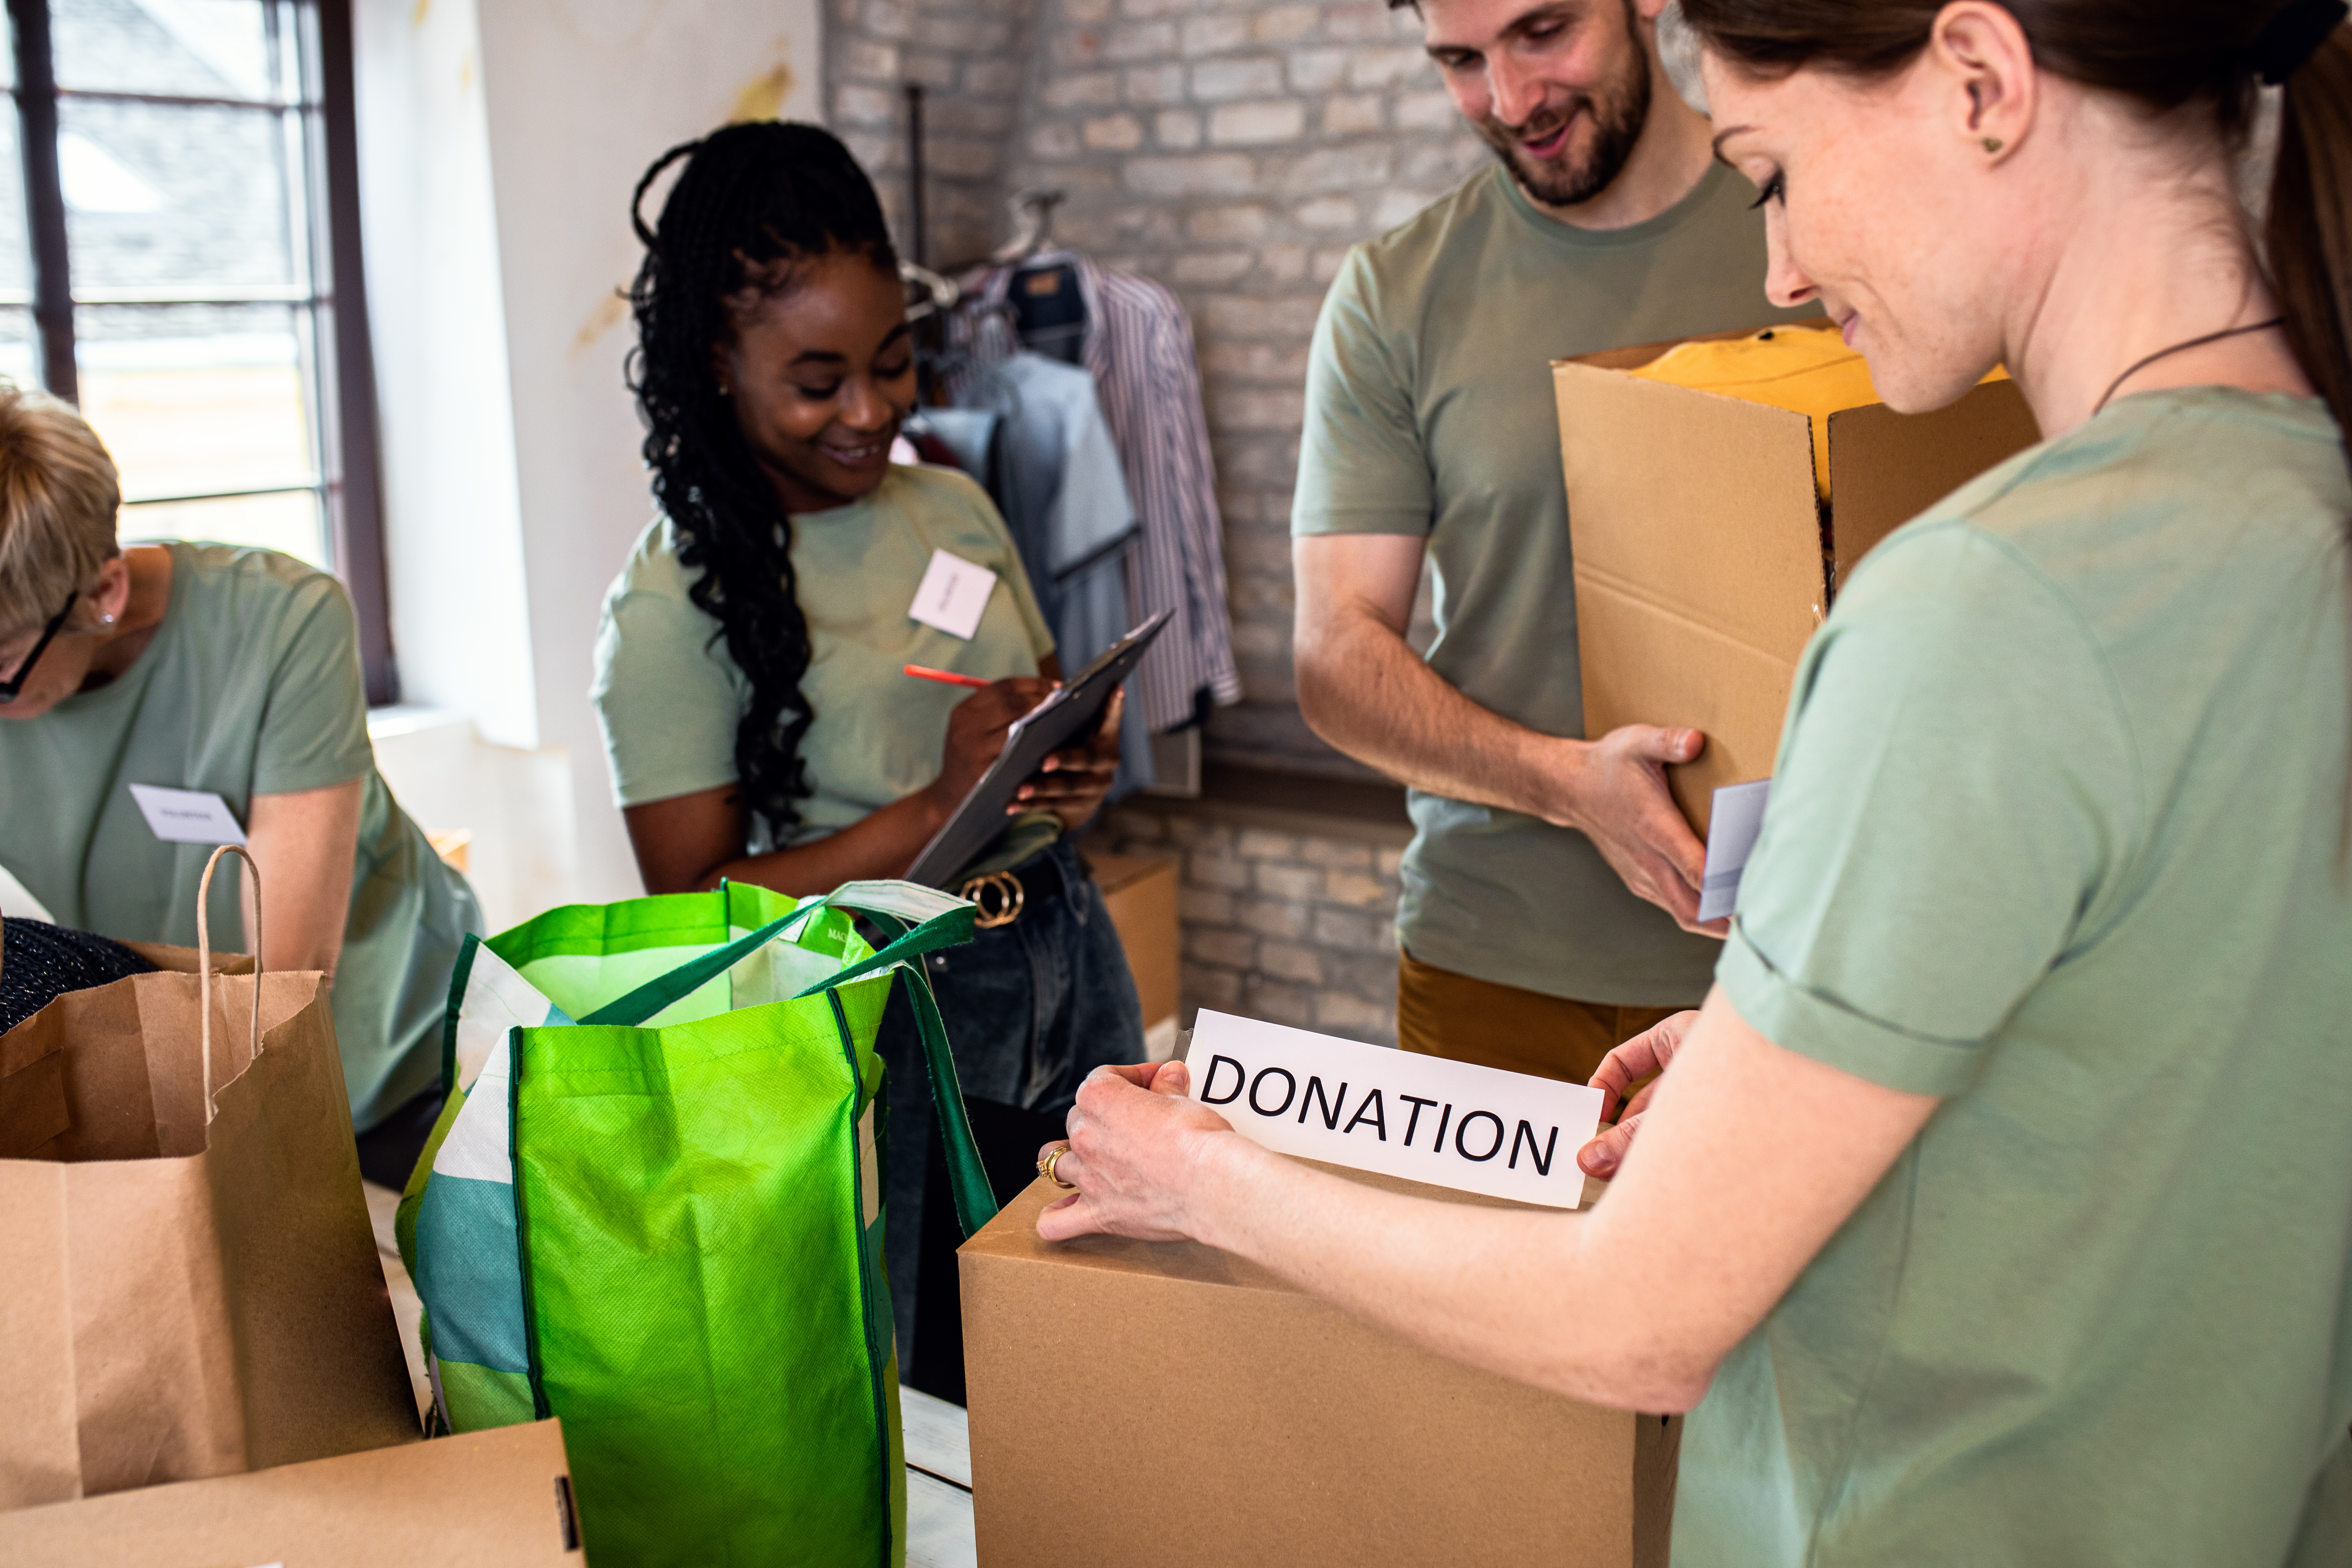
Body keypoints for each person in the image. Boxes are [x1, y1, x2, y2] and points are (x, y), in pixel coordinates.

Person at [1043, 2, 2352, 1561]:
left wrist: (1204, 1183)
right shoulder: (2299, 494)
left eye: (1776, 175)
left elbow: (1641, 1318)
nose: (1779, 274)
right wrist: (1779, 1033)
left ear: (1984, 83)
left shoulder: (1979, 606)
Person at [592, 121, 1143, 1397]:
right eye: (818, 380)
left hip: (1067, 950)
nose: (871, 410)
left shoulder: (951, 504)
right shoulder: (667, 607)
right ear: (716, 363)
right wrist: (941, 803)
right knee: (946, 1376)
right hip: (890, 1011)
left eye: (893, 362)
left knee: (1106, 1334)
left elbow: (1030, 726)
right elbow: (695, 904)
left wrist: (1068, 770)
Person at [1290, 0, 1818, 1085]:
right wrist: (1569, 786)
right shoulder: (1396, 295)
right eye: (1461, 60)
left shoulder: (1814, 229)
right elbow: (1336, 657)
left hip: (1802, 955)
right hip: (1494, 960)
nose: (1511, 99)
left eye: (1543, 32)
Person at [0, 385, 481, 1184]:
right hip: (175, 1080)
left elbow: (284, 986)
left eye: (2, 670)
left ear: (104, 594)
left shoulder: (284, 621)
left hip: (395, 1064)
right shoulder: (27, 642)